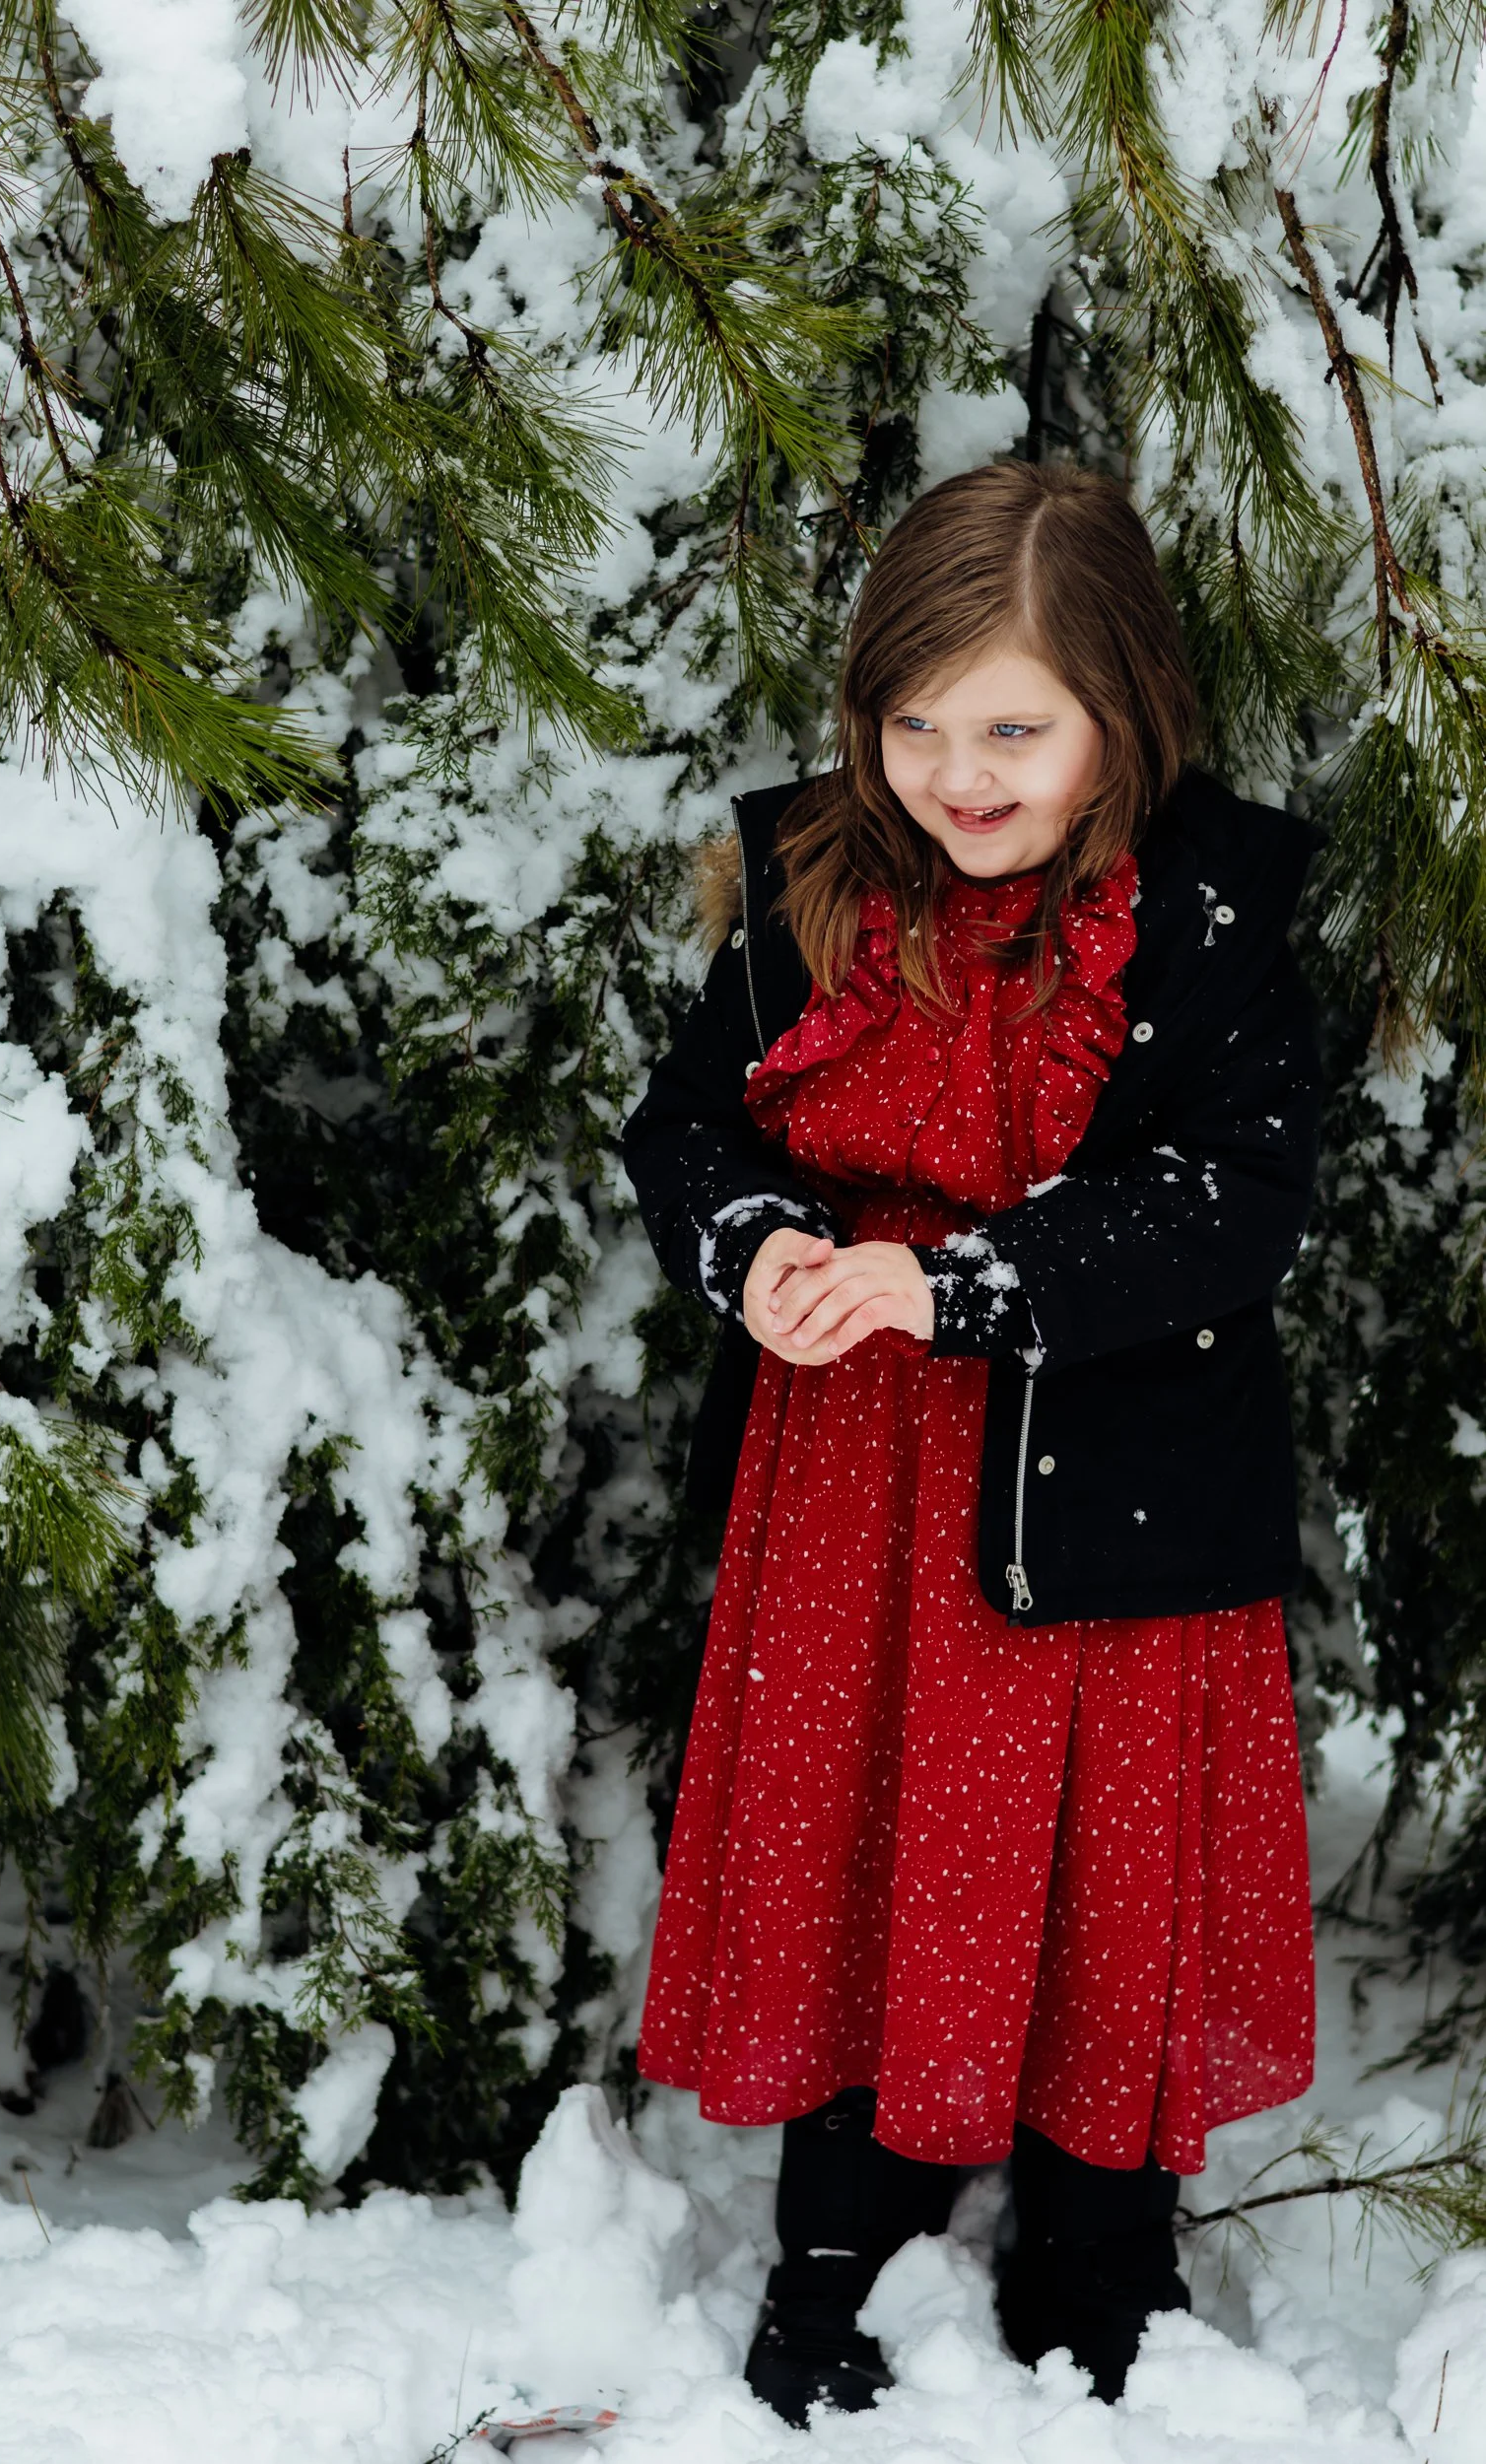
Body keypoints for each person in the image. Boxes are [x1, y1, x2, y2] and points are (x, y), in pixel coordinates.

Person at [621, 460, 1320, 2424]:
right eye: (910, 723)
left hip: (1098, 1493)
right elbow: (685, 1130)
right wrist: (752, 1239)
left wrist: (968, 1281)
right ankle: (836, 2244)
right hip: (852, 1488)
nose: (957, 768)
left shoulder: (1202, 909)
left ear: (1119, 703)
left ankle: (1099, 2258)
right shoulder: (808, 886)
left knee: (1096, 1870)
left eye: (1010, 723)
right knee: (865, 1848)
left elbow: (1234, 1198)